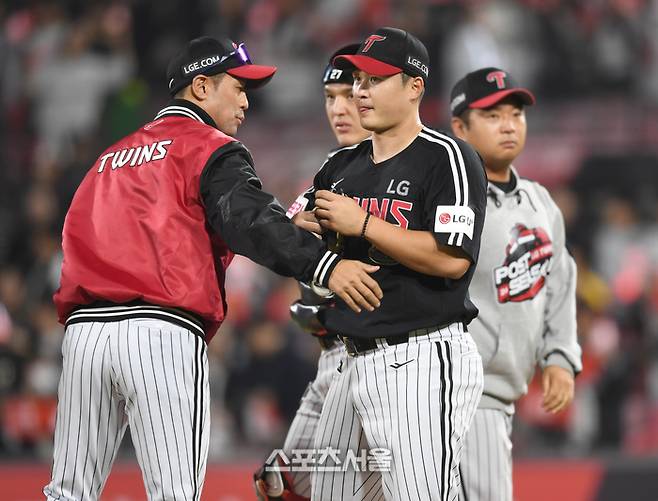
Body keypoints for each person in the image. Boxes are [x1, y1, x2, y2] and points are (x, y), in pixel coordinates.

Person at [44, 36, 383, 501]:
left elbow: (115, 234)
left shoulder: (107, 160)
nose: (246, 101)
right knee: (174, 493)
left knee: (67, 493)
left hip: (85, 337)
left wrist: (281, 223)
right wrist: (322, 263)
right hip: (159, 334)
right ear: (201, 87)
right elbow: (248, 223)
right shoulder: (207, 145)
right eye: (238, 87)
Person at [294, 27, 488, 501]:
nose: (361, 91)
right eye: (358, 80)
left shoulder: (447, 158)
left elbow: (451, 259)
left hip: (419, 357)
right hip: (348, 360)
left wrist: (363, 225)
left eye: (376, 80)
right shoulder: (339, 166)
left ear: (415, 86)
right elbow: (297, 227)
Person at [449, 67, 582, 501]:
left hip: (498, 398)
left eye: (515, 113)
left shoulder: (540, 201)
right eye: (491, 115)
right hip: (457, 394)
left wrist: (560, 355)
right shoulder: (450, 202)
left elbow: (560, 282)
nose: (508, 124)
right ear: (459, 127)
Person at [253, 43, 371, 501]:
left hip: (380, 358)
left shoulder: (403, 165)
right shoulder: (332, 167)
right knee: (282, 482)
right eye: (330, 97)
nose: (338, 109)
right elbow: (291, 234)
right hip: (334, 355)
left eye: (349, 95)